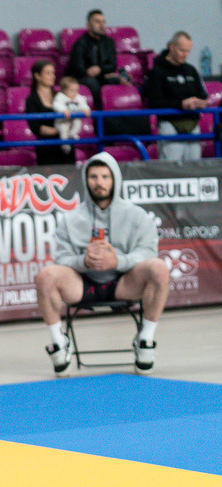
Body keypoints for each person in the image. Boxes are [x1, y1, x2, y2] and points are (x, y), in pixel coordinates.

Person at [34, 153, 169, 376]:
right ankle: (58, 343)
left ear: (115, 179)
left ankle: (145, 339)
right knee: (46, 275)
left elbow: (147, 252)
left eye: (105, 177)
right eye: (94, 177)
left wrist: (119, 260)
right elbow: (61, 259)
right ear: (86, 181)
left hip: (124, 281)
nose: (99, 182)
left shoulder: (137, 216)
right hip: (82, 283)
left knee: (159, 268)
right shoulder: (70, 219)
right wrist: (83, 261)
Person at [145, 31, 209, 162]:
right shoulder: (157, 71)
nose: (185, 54)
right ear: (172, 47)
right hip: (170, 125)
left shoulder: (191, 70)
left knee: (195, 167)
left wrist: (200, 102)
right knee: (171, 169)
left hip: (192, 125)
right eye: (182, 50)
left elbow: (202, 94)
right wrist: (181, 104)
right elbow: (154, 102)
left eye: (188, 51)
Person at [67, 9, 130, 108]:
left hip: (102, 76)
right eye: (97, 22)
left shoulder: (109, 42)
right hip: (84, 78)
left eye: (103, 22)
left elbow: (112, 65)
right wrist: (89, 72)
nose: (102, 25)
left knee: (123, 80)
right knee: (93, 84)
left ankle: (124, 114)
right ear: (88, 25)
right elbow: (77, 68)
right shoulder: (81, 43)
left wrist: (99, 69)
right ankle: (100, 117)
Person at [26, 60, 76, 166]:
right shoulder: (31, 100)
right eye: (48, 73)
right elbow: (37, 128)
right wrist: (62, 130)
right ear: (37, 76)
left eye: (53, 73)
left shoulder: (61, 96)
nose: (52, 76)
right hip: (46, 146)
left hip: (65, 144)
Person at [52, 76, 91, 154]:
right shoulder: (60, 96)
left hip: (74, 119)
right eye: (72, 90)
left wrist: (86, 109)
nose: (75, 93)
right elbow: (55, 105)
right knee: (63, 129)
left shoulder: (78, 97)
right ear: (63, 90)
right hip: (62, 121)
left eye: (76, 90)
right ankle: (65, 145)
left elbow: (83, 104)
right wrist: (64, 110)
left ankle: (73, 133)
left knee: (78, 122)